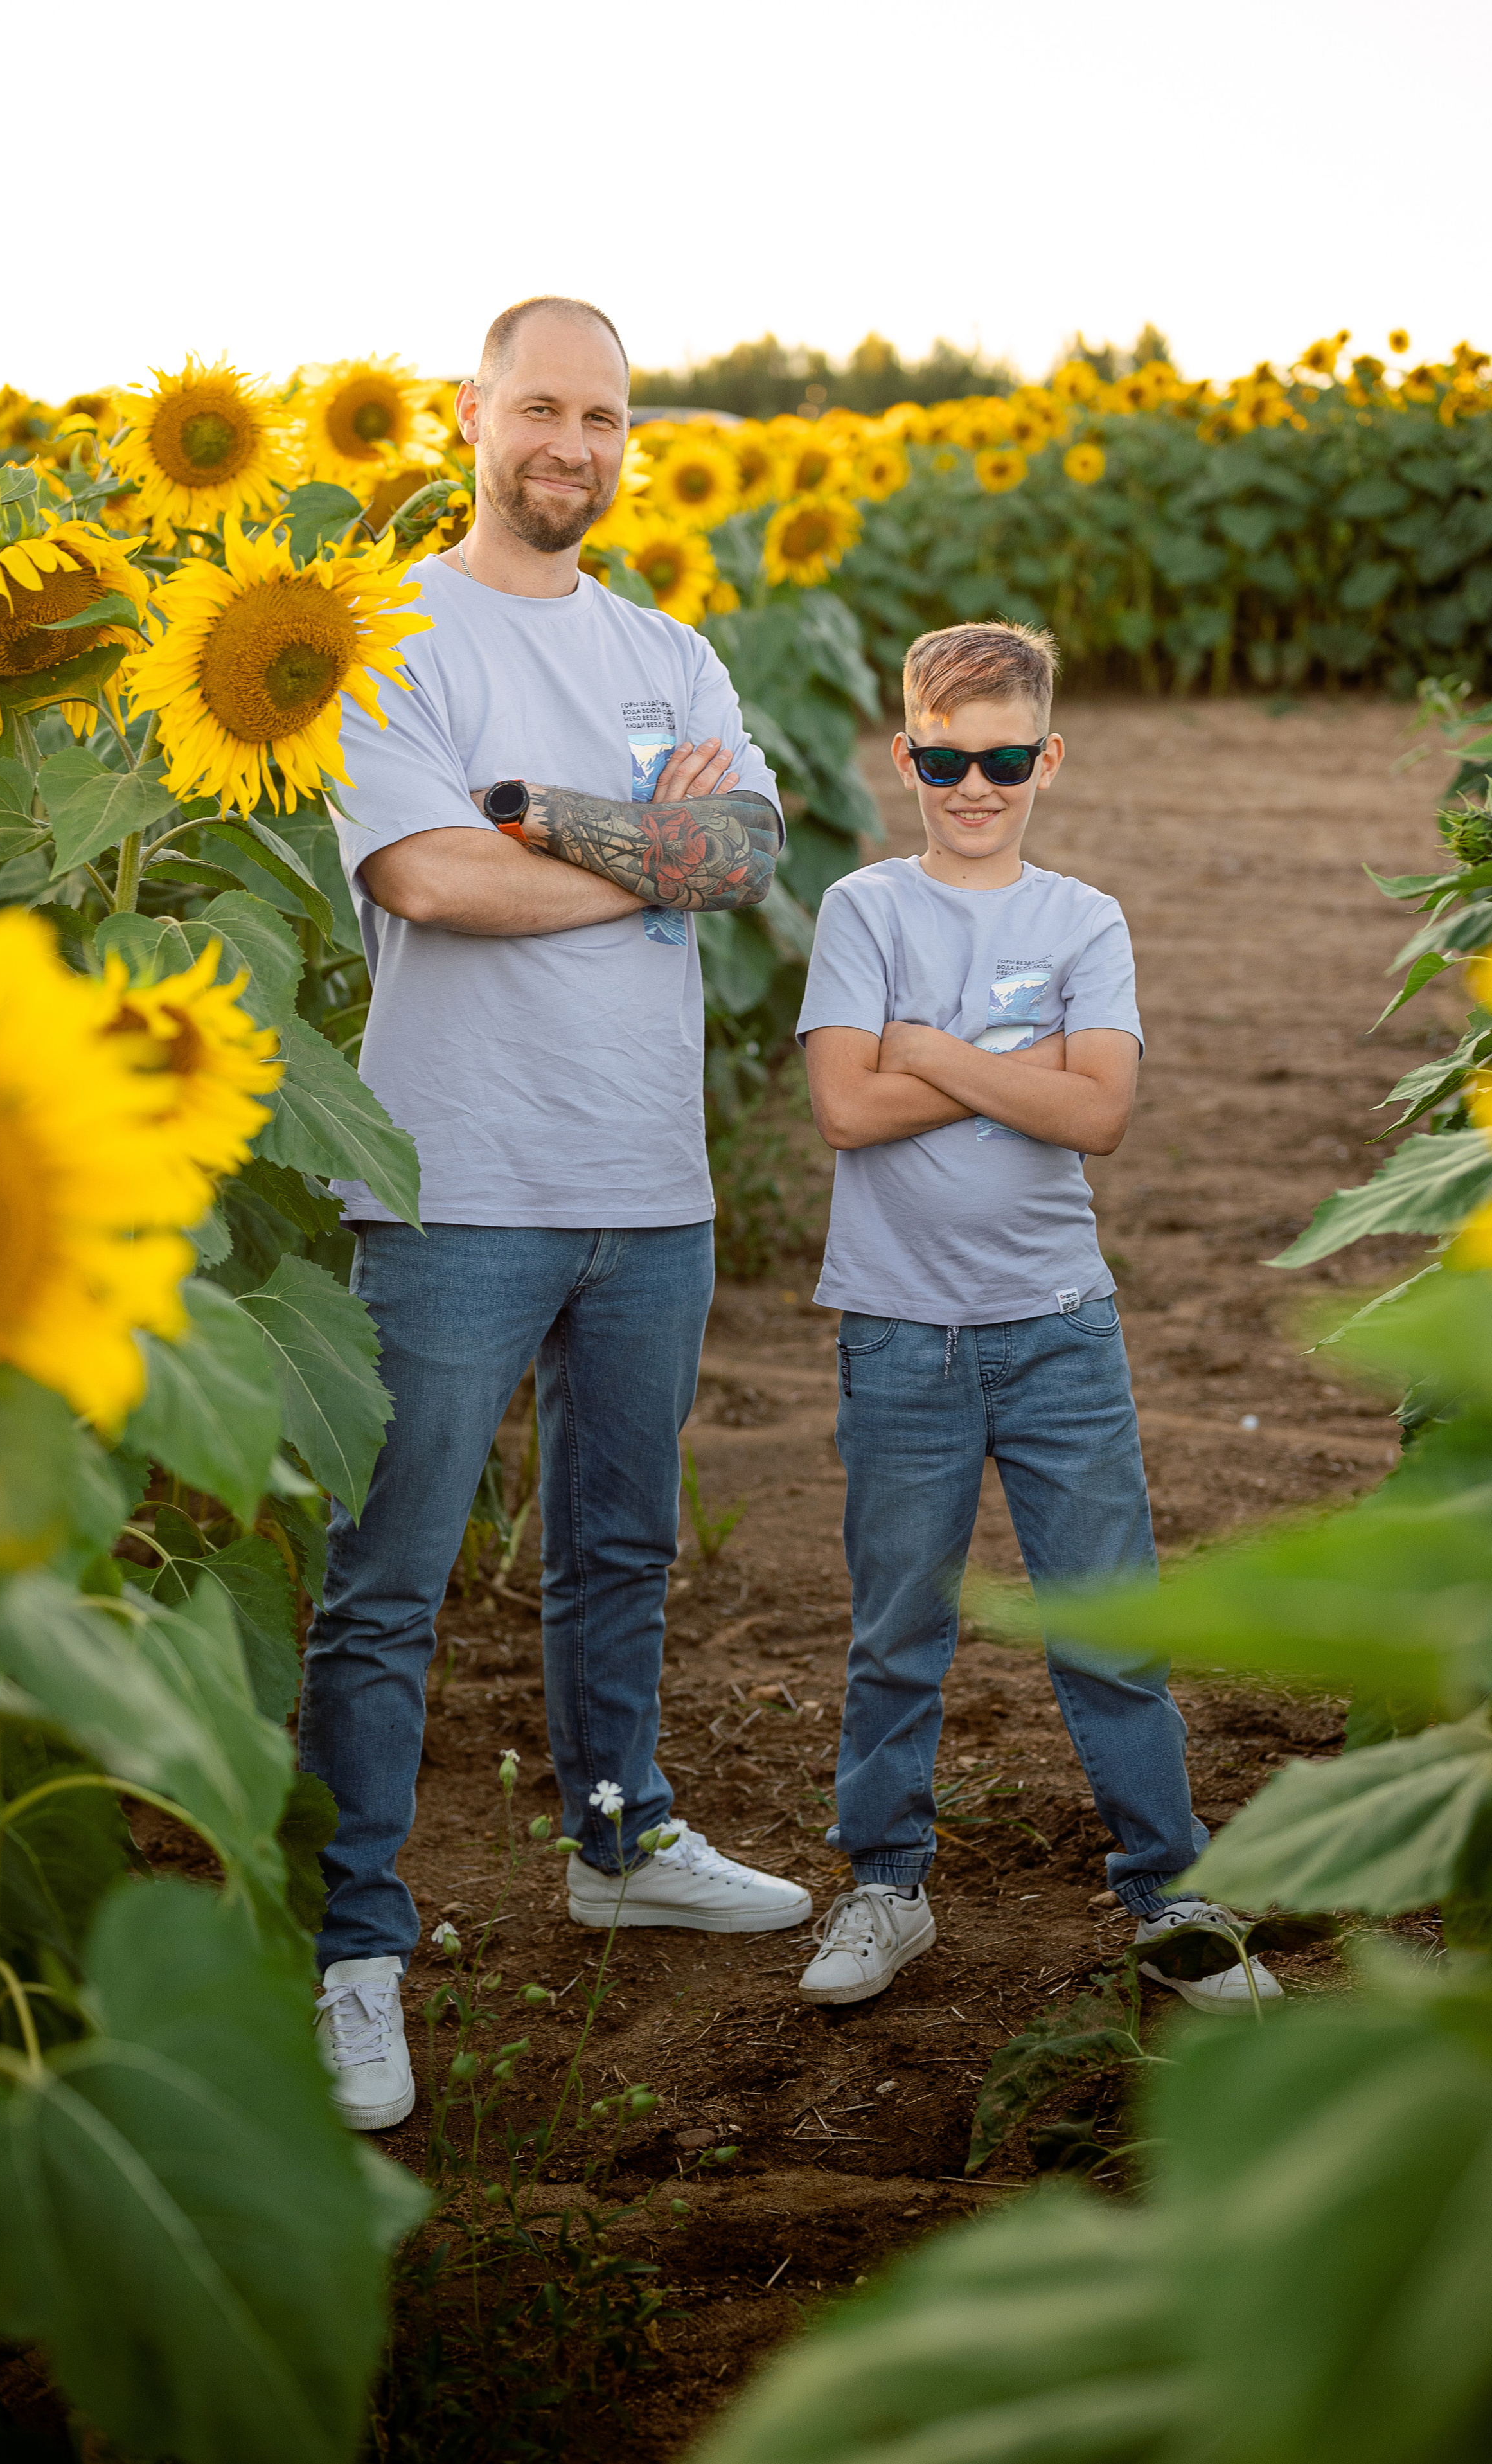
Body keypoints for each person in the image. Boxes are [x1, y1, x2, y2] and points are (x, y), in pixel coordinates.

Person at [300, 296, 812, 2132]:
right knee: (388, 1584)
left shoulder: (670, 646)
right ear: (471, 417)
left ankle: (620, 1835)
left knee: (620, 1550)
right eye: (541, 408)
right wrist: (643, 852)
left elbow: (751, 853)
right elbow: (429, 876)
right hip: (456, 1183)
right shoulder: (389, 644)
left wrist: (551, 826)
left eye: (604, 418)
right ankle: (353, 1939)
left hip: (646, 1190)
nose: (573, 447)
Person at [793, 620, 1280, 2017]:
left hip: (1059, 1330)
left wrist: (930, 1052)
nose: (972, 784)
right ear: (904, 757)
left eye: (1002, 758)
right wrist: (1021, 1066)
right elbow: (843, 1108)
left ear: (1045, 757)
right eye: (943, 759)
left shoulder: (1082, 920)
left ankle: (1169, 1892)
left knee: (1106, 1623)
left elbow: (1102, 1113)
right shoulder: (863, 911)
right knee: (897, 1628)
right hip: (897, 1332)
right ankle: (883, 1881)